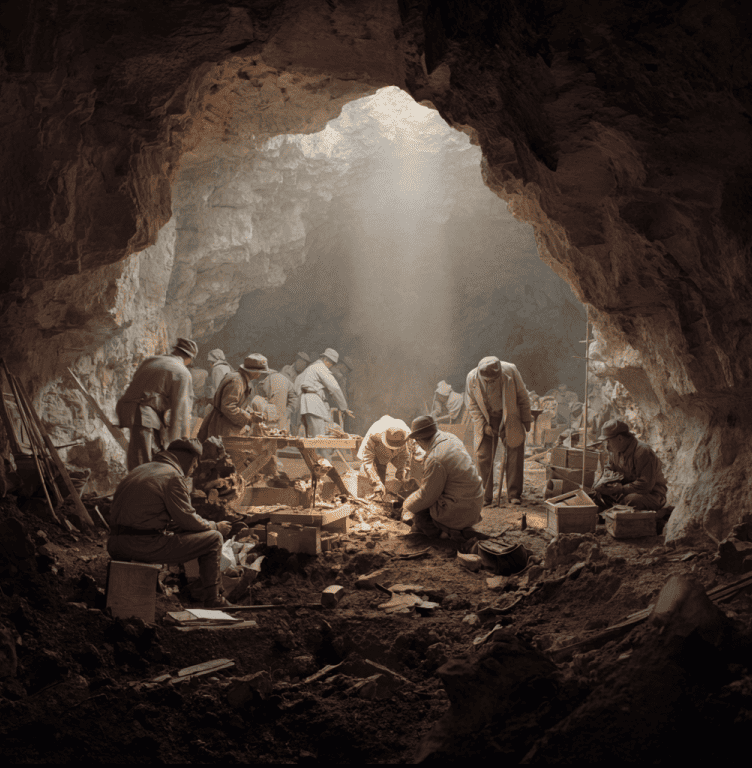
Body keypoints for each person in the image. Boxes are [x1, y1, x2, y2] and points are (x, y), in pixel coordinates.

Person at [107, 438, 233, 608]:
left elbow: (152, 517)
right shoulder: (173, 476)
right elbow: (189, 520)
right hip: (139, 545)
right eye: (195, 465)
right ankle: (214, 599)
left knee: (178, 532)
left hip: (116, 543)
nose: (193, 471)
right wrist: (216, 526)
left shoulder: (141, 469)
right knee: (214, 538)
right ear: (191, 459)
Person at [116, 338, 197, 471]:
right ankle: (140, 487)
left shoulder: (152, 360)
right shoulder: (182, 372)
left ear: (175, 350)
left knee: (143, 454)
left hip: (126, 409)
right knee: (142, 461)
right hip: (143, 414)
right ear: (189, 358)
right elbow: (180, 410)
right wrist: (179, 442)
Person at [400, 416, 483, 539]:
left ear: (419, 440)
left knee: (419, 514)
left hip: (459, 508)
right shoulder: (450, 438)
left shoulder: (435, 458)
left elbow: (426, 496)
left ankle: (447, 534)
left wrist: (406, 506)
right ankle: (457, 528)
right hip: (474, 503)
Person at [466, 355, 532, 505]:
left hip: (510, 415)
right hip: (486, 417)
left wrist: (526, 419)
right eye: (488, 381)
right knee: (483, 456)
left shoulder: (510, 370)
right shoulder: (471, 378)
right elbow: (472, 404)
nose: (492, 382)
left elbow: (523, 395)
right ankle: (485, 495)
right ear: (480, 375)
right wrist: (483, 425)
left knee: (515, 452)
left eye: (495, 380)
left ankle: (514, 494)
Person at [591, 419, 668, 512]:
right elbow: (609, 467)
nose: (607, 446)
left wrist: (620, 489)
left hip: (651, 494)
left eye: (608, 441)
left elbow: (645, 485)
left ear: (620, 438)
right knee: (597, 494)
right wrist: (607, 479)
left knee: (631, 500)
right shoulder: (615, 451)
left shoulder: (643, 452)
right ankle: (610, 513)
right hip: (624, 492)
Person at [198, 354, 274, 440]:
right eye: (259, 372)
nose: (259, 375)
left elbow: (239, 404)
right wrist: (250, 417)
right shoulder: (237, 381)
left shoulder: (241, 379)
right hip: (223, 427)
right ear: (253, 371)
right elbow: (228, 407)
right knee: (222, 451)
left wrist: (252, 412)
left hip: (227, 425)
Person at [296, 348, 352, 452]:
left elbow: (297, 384)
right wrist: (344, 408)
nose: (331, 366)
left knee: (310, 438)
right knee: (319, 439)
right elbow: (334, 388)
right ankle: (324, 463)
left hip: (304, 404)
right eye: (331, 363)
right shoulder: (320, 368)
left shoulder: (310, 369)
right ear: (326, 359)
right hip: (312, 404)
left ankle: (317, 461)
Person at [357, 415, 410, 497]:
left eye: (397, 444)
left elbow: (404, 457)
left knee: (393, 477)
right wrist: (376, 482)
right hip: (374, 455)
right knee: (370, 483)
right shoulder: (374, 436)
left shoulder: (404, 436)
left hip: (392, 453)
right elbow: (368, 462)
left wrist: (401, 474)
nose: (394, 447)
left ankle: (384, 493)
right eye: (392, 444)